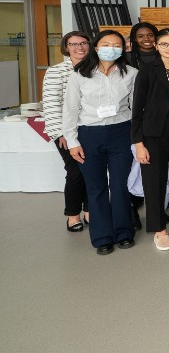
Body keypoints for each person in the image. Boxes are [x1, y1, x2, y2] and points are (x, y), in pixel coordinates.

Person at [63, 30, 137, 256]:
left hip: (121, 133)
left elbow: (135, 108)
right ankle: (102, 236)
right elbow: (71, 109)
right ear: (96, 47)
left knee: (120, 186)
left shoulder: (131, 73)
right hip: (89, 134)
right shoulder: (79, 74)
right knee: (95, 188)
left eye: (117, 45)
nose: (111, 48)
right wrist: (72, 141)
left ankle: (124, 231)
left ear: (123, 49)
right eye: (106, 44)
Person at [131, 28, 169, 251]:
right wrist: (138, 143)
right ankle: (159, 229)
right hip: (154, 133)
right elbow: (137, 109)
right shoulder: (147, 71)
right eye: (164, 44)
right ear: (156, 46)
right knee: (154, 181)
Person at [42, 31, 91, 233]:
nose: (79, 47)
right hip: (66, 133)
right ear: (66, 47)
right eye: (73, 44)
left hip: (90, 129)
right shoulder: (56, 71)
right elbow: (51, 105)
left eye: (83, 43)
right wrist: (60, 134)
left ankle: (90, 211)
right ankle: (72, 215)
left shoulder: (95, 69)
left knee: (92, 172)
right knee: (75, 173)